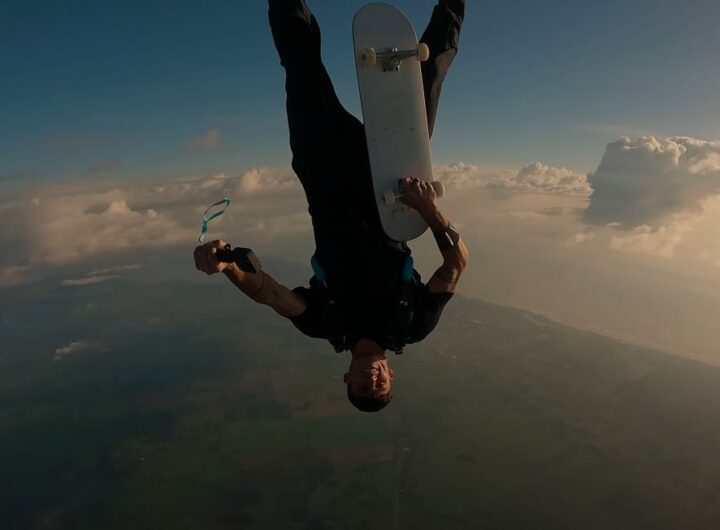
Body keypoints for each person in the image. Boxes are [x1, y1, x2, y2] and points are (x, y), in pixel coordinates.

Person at [194, 0, 469, 412]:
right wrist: (429, 210)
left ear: (347, 378)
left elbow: (270, 293)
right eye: (380, 386)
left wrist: (228, 267)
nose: (371, 380)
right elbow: (455, 266)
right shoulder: (412, 324)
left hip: (326, 175)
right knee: (424, 74)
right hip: (393, 184)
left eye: (362, 387)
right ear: (391, 375)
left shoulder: (327, 325)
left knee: (301, 69)